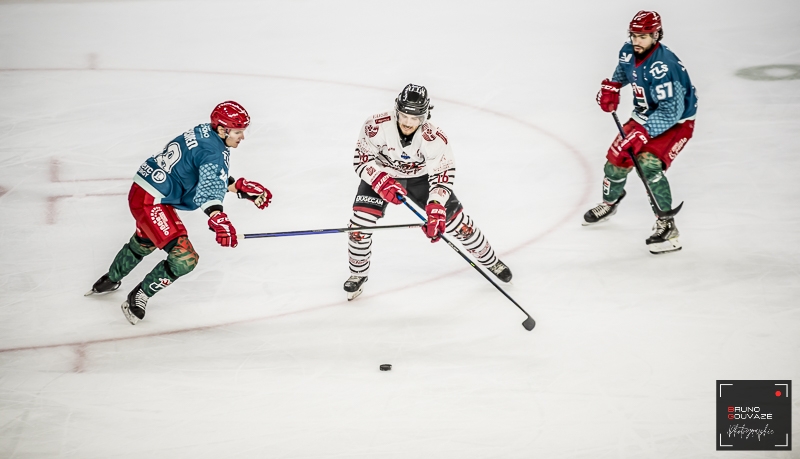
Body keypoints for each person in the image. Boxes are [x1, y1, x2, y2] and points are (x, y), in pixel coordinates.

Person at [86, 101, 273, 324]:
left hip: (147, 190)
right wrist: (217, 217)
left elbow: (203, 172)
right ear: (222, 130)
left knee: (145, 240)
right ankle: (139, 295)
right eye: (238, 131)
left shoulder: (204, 131)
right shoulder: (214, 152)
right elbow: (208, 188)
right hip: (152, 200)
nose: (242, 136)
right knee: (185, 259)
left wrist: (237, 188)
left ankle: (109, 280)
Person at [344, 83, 512, 300]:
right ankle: (357, 274)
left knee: (456, 223)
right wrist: (380, 180)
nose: (408, 122)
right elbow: (361, 160)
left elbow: (443, 175)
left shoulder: (434, 137)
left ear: (424, 117)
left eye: (415, 119)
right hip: (381, 175)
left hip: (420, 178)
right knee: (360, 224)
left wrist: (435, 206)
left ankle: (491, 261)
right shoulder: (375, 125)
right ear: (397, 110)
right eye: (404, 116)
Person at [585, 10, 697, 254]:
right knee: (615, 163)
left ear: (656, 35)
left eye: (643, 36)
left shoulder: (664, 66)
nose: (637, 41)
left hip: (676, 124)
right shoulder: (628, 51)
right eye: (634, 35)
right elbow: (624, 72)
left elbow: (672, 111)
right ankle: (609, 203)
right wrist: (612, 88)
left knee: (648, 165)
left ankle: (667, 225)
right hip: (643, 116)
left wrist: (643, 134)